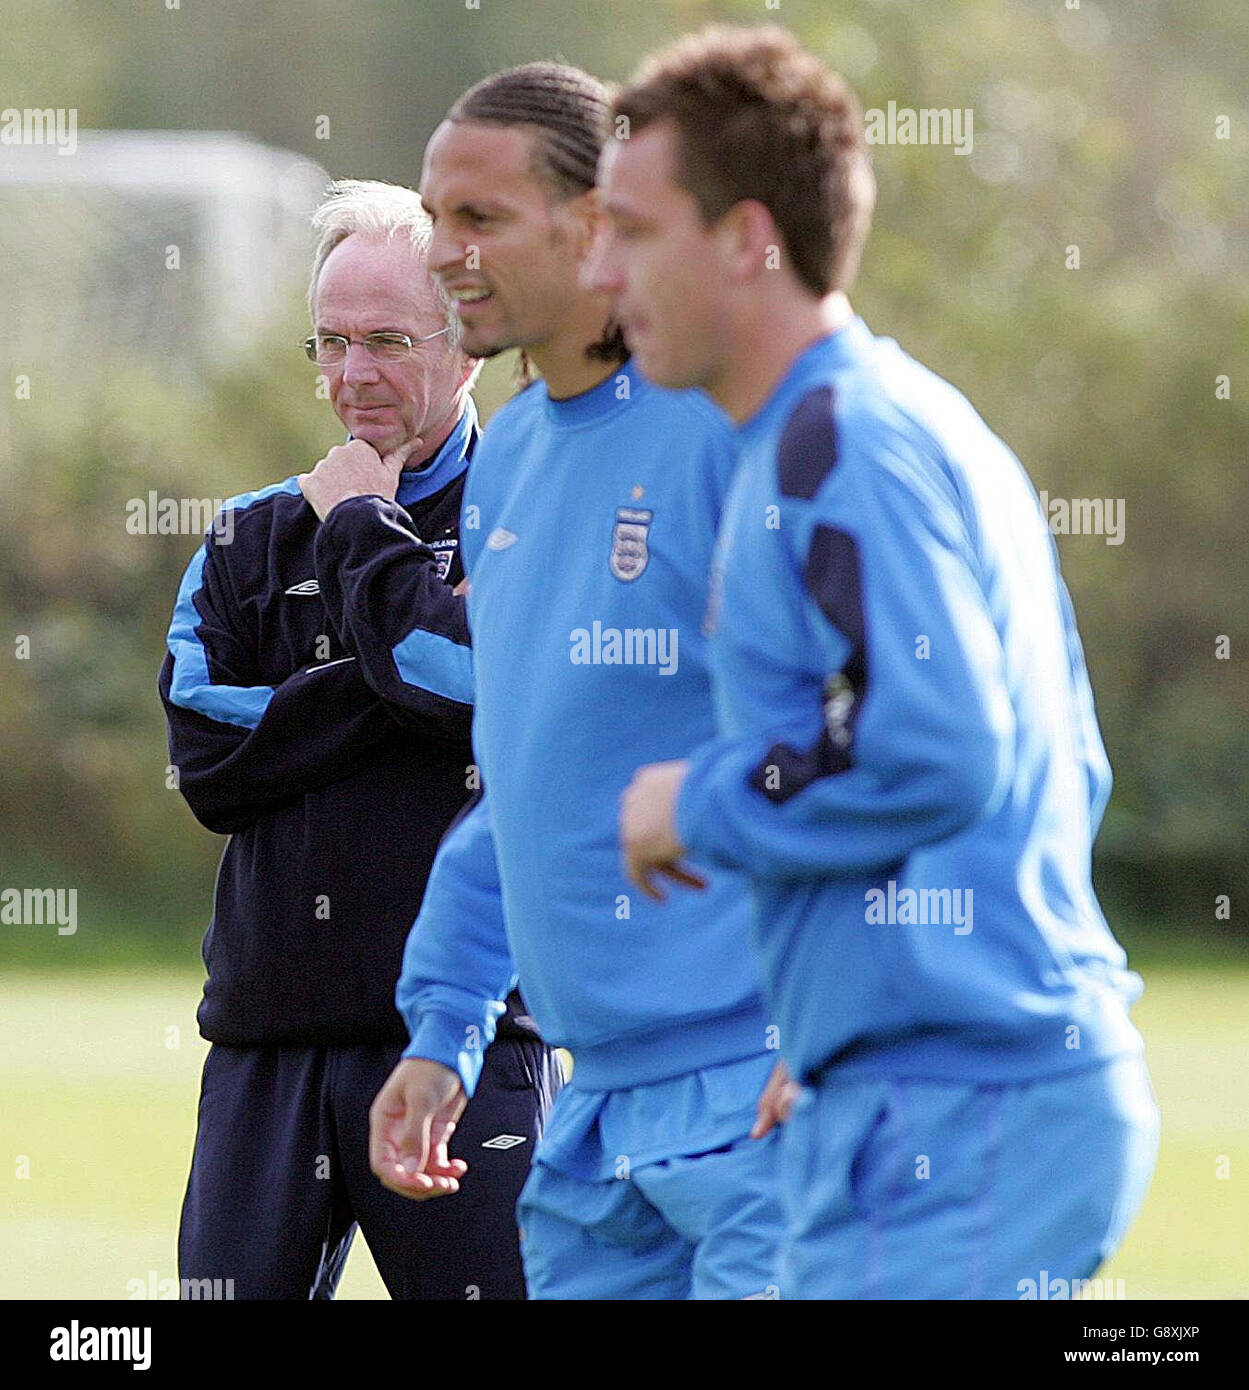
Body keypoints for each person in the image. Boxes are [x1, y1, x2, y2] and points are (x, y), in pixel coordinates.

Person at [605, 25, 1159, 1299]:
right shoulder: (864, 429)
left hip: (962, 1109)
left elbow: (939, 745)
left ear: (748, 238)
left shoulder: (836, 444)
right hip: (936, 1091)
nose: (605, 267)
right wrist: (852, 1013)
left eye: (634, 231)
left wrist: (698, 801)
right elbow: (1060, 754)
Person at [367, 63, 785, 1300]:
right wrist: (443, 1023)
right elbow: (532, 775)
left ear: (596, 220)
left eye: (478, 217)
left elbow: (882, 742)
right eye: (434, 215)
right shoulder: (513, 464)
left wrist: (854, 1021)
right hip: (593, 1116)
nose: (441, 253)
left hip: (763, 1098)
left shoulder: (729, 426)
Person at [159, 179, 561, 1301]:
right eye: (329, 342)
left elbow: (485, 690)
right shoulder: (244, 537)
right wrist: (386, 675)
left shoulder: (535, 507)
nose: (351, 375)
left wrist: (360, 539)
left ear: (466, 347)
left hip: (472, 1036)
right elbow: (208, 756)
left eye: (386, 340)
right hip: (264, 1047)